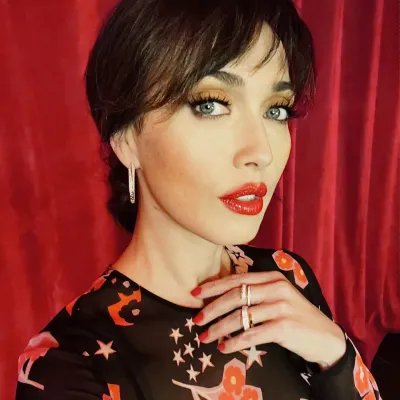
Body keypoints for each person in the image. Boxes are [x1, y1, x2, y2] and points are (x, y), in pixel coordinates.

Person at [16, 0, 382, 399]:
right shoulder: (69, 364)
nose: (260, 151)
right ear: (126, 138)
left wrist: (335, 354)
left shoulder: (287, 276)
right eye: (211, 105)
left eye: (276, 110)